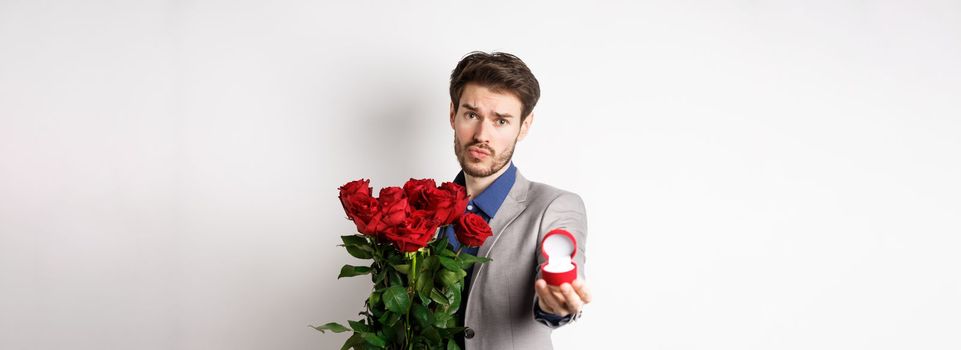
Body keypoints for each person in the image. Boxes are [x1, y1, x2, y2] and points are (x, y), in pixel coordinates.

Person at [441, 51, 592, 350]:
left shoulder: (555, 207)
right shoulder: (420, 209)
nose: (482, 134)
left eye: (501, 121)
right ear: (452, 115)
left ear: (524, 126)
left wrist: (555, 303)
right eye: (471, 115)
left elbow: (560, 272)